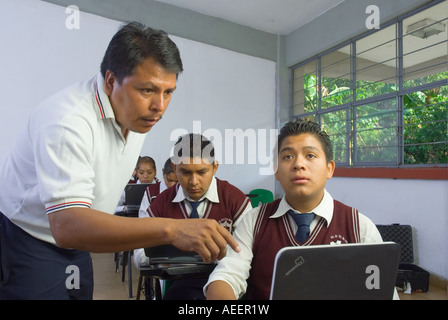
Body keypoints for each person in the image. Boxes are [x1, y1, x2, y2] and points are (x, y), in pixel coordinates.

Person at [0, 22, 239, 300]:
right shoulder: (67, 121)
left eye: (168, 92)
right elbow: (67, 225)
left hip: (79, 242)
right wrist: (172, 229)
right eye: (147, 90)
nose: (159, 106)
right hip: (29, 238)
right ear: (112, 81)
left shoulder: (134, 115)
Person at [205, 119, 389, 300]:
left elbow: (382, 293)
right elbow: (227, 276)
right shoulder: (254, 222)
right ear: (276, 171)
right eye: (287, 156)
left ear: (329, 169)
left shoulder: (359, 228)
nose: (298, 164)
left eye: (310, 155)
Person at [145, 133, 253, 300]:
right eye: (185, 172)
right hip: (180, 283)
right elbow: (140, 251)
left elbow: (247, 252)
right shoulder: (161, 203)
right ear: (174, 168)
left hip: (228, 281)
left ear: (215, 167)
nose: (194, 181)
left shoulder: (236, 200)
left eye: (202, 172)